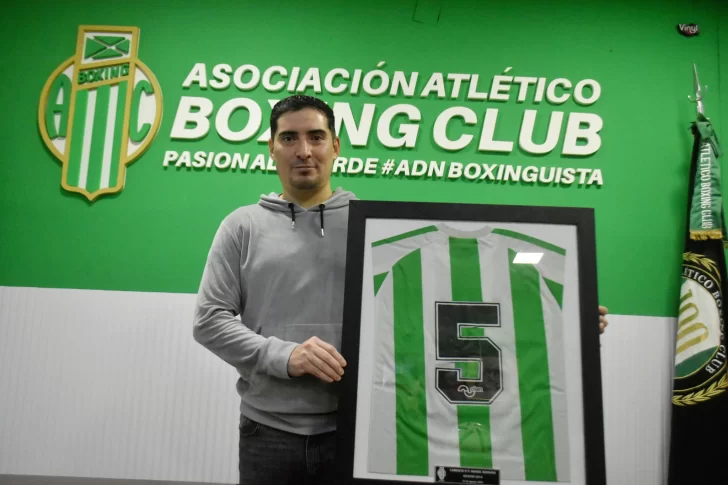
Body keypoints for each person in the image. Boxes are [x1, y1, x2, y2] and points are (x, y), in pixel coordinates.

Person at [192, 94, 610, 485]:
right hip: (268, 430)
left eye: (316, 137)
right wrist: (284, 355)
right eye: (289, 138)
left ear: (335, 146)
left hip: (361, 431)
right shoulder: (242, 226)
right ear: (271, 147)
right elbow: (209, 321)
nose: (303, 150)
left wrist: (564, 317)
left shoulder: (377, 233)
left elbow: (451, 303)